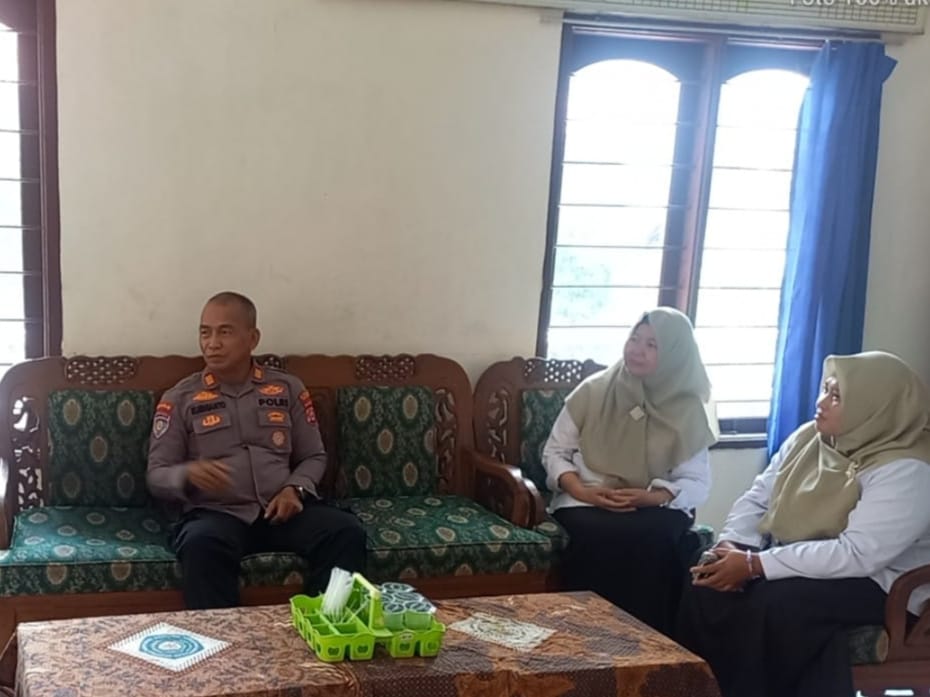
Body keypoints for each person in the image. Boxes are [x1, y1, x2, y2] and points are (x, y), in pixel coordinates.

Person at [677, 351, 930, 697]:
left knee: (775, 604)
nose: (821, 403)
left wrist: (755, 565)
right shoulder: (810, 438)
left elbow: (858, 554)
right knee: (705, 577)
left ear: (874, 407)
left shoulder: (906, 468)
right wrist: (732, 544)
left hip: (881, 584)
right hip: (801, 561)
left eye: (836, 396)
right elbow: (759, 496)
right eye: (825, 389)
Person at [147, 291, 367, 609]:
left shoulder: (287, 388)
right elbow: (157, 474)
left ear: (253, 338)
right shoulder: (180, 397)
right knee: (201, 544)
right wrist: (187, 474)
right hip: (217, 513)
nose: (212, 343)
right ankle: (220, 638)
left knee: (345, 532)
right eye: (205, 333)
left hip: (281, 509)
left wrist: (294, 489)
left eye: (225, 332)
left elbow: (314, 455)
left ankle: (323, 624)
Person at [542, 307, 718, 634]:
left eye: (652, 344)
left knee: (660, 538)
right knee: (597, 535)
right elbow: (555, 452)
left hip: (654, 507)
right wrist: (581, 490)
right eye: (634, 339)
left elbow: (697, 482)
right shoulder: (594, 390)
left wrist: (654, 497)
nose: (637, 350)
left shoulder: (689, 409)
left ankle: (648, 643)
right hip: (586, 501)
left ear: (675, 353)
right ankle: (582, 635)